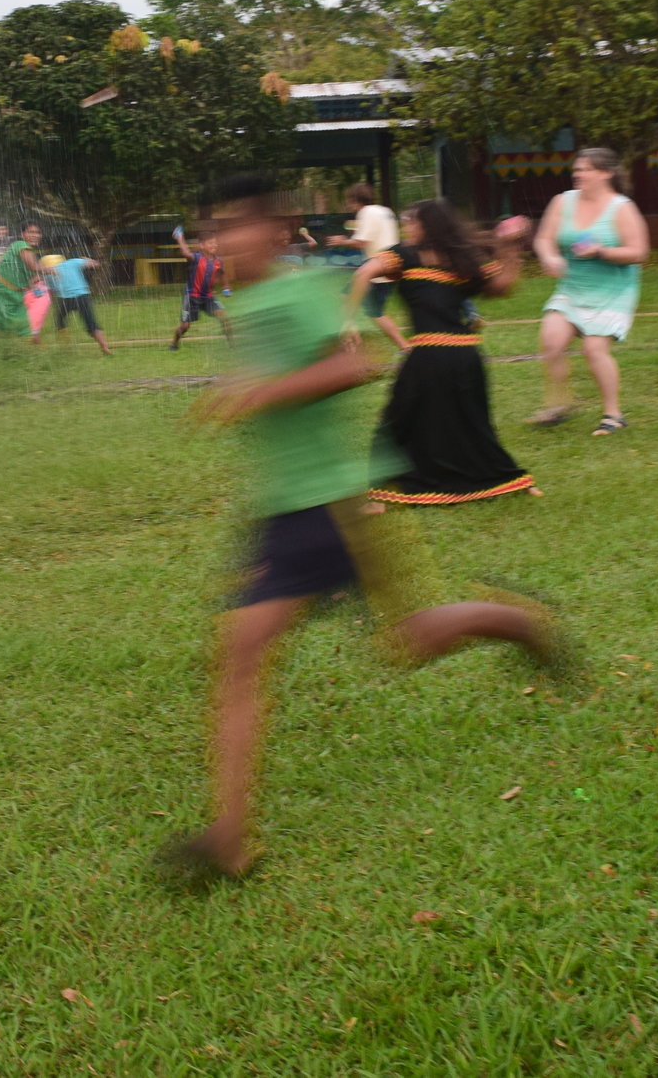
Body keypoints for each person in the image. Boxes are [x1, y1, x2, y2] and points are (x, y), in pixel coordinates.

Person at [163, 173, 560, 883]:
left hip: (332, 506)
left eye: (233, 226)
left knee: (404, 641)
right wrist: (242, 389)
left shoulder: (299, 288)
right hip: (283, 508)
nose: (219, 241)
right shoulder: (251, 299)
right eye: (213, 229)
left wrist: (259, 393)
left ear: (279, 231)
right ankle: (228, 836)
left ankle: (519, 621)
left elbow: (356, 362)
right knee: (247, 657)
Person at [351, 200, 535, 504]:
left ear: (427, 225)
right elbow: (503, 286)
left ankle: (380, 493)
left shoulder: (413, 256)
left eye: (411, 222)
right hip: (464, 355)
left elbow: (363, 273)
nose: (406, 227)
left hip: (431, 353)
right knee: (471, 422)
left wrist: (348, 321)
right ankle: (509, 479)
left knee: (399, 420)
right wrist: (509, 249)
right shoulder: (447, 258)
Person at [531, 147, 648, 434]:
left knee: (593, 349)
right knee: (551, 342)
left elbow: (639, 252)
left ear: (606, 173)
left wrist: (601, 251)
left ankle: (613, 415)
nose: (577, 173)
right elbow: (544, 238)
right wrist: (550, 257)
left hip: (613, 289)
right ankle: (560, 404)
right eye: (576, 168)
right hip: (573, 286)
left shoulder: (621, 207)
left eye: (585, 169)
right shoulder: (562, 202)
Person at [328, 181, 404, 351]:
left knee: (374, 312)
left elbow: (361, 242)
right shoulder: (385, 211)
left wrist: (342, 241)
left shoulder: (366, 212)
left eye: (349, 200)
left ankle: (404, 348)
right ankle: (350, 332)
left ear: (355, 200)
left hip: (378, 268)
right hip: (392, 263)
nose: (348, 205)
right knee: (349, 296)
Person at [169, 225, 230, 349]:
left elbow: (222, 273)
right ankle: (174, 343)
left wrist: (226, 287)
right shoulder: (196, 258)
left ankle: (232, 345)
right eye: (210, 243)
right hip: (191, 296)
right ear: (202, 246)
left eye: (215, 243)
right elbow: (186, 252)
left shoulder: (218, 261)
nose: (214, 245)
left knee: (223, 317)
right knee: (185, 326)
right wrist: (180, 237)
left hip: (208, 297)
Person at [43, 246, 113, 355]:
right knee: (91, 323)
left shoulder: (47, 273)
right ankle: (104, 347)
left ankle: (66, 346)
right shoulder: (72, 262)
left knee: (60, 321)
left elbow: (52, 291)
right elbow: (96, 264)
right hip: (82, 297)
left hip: (65, 299)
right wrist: (88, 260)